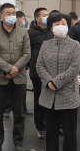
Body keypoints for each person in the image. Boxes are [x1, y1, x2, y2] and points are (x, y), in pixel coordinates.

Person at [0, 3, 31, 151]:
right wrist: (8, 68)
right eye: (8, 13)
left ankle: (18, 142)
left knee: (19, 113)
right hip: (0, 78)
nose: (12, 16)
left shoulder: (23, 33)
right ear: (1, 16)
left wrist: (15, 68)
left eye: (13, 13)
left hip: (19, 78)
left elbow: (27, 54)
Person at [36, 12, 80, 151]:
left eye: (63, 23)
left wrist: (56, 82)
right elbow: (39, 65)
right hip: (49, 95)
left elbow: (75, 67)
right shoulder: (45, 45)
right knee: (51, 133)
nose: (60, 26)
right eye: (57, 24)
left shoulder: (75, 45)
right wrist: (49, 81)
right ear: (51, 28)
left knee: (69, 133)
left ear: (68, 26)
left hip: (68, 95)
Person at [27, 7, 53, 139]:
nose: (47, 17)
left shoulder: (53, 31)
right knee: (39, 100)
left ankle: (54, 126)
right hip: (37, 73)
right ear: (37, 18)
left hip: (53, 72)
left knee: (54, 100)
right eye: (44, 15)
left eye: (48, 15)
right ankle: (41, 127)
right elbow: (27, 52)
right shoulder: (30, 33)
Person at [4, 10, 32, 117]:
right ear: (19, 19)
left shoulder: (23, 32)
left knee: (21, 90)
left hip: (20, 66)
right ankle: (7, 109)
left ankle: (22, 108)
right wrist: (9, 68)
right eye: (23, 18)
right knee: (7, 89)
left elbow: (26, 52)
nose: (24, 21)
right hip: (8, 66)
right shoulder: (7, 32)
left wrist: (19, 66)